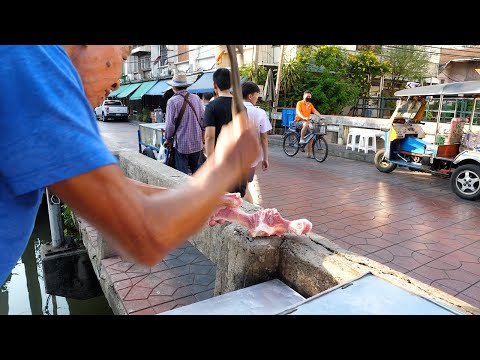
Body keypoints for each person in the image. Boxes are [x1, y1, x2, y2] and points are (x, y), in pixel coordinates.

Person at [0, 45, 259, 288]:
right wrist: (224, 167)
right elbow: (144, 235)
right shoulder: (32, 60)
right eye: (124, 57)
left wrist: (206, 196)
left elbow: (119, 189)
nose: (116, 83)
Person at [204, 68, 250, 199]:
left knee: (221, 201)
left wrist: (210, 161)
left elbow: (209, 136)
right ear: (231, 85)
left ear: (215, 85)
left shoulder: (211, 107)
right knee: (237, 199)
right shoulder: (241, 106)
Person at [164, 72, 205, 175]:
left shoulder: (172, 101)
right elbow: (203, 120)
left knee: (182, 176)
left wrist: (168, 139)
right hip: (197, 143)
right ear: (186, 86)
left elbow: (169, 126)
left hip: (181, 145)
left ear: (174, 87)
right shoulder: (196, 98)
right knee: (198, 175)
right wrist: (203, 136)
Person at [241, 81, 271, 204]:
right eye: (257, 96)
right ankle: (251, 212)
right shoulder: (260, 112)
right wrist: (265, 158)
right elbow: (264, 137)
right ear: (250, 96)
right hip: (251, 156)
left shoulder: (231, 108)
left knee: (236, 188)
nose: (257, 99)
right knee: (245, 187)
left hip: (232, 155)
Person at [295, 90, 324, 158]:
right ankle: (301, 139)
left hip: (306, 121)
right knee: (306, 124)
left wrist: (320, 116)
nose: (308, 97)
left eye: (309, 96)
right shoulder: (300, 103)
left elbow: (315, 111)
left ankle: (309, 154)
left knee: (311, 136)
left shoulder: (310, 104)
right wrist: (303, 117)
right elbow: (298, 112)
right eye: (307, 96)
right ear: (303, 96)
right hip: (298, 121)